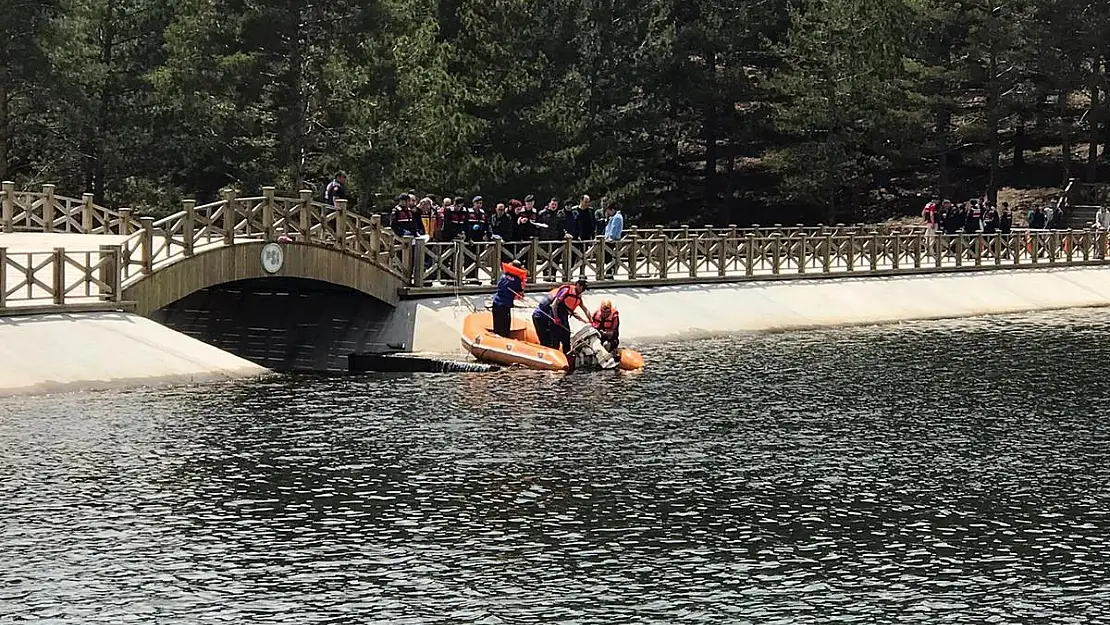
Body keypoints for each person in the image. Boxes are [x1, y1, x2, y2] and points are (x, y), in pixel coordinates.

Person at [533, 278, 590, 358]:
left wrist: (589, 321)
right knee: (553, 338)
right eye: (582, 287)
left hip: (562, 316)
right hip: (547, 315)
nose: (583, 290)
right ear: (577, 285)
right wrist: (556, 318)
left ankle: (567, 356)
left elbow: (584, 309)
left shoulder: (578, 297)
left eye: (585, 289)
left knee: (566, 337)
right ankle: (551, 355)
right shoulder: (566, 291)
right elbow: (554, 305)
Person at [492, 260, 528, 338]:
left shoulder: (503, 276)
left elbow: (499, 286)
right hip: (505, 305)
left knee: (497, 325)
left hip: (496, 302)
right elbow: (520, 294)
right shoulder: (517, 281)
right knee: (505, 328)